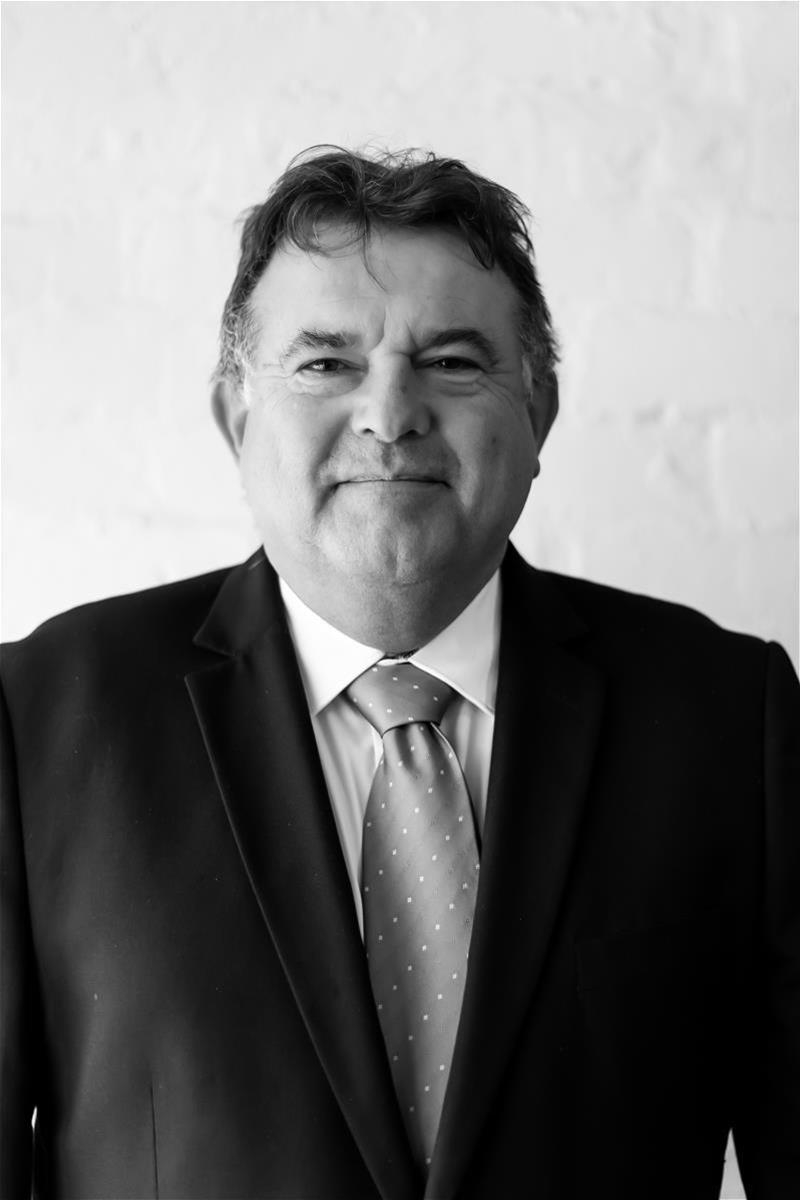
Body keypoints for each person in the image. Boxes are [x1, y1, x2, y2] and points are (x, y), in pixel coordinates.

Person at [1, 146, 798, 1200]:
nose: (390, 413)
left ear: (538, 411)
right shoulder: (42, 714)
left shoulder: (724, 718)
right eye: (325, 364)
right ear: (236, 417)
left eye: (454, 361)